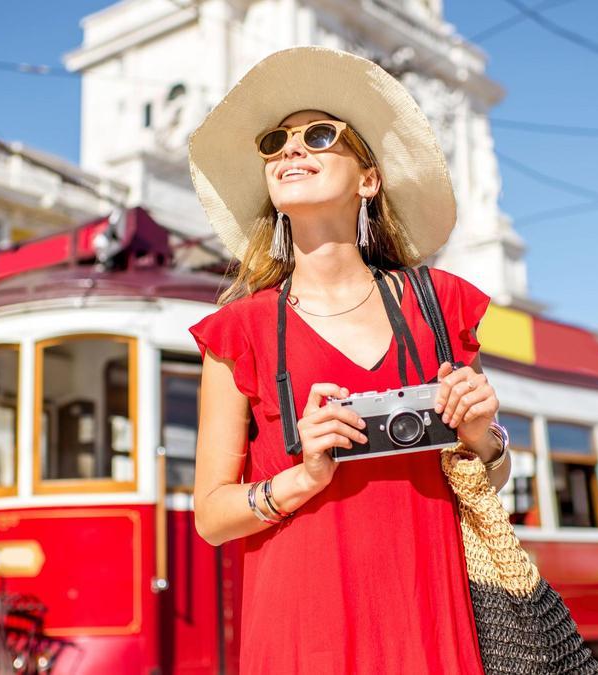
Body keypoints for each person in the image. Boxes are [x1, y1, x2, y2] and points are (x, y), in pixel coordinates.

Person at [187, 46, 511, 674]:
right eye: (275, 142)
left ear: (369, 179)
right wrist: (301, 478)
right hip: (301, 634)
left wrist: (484, 437)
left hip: (429, 620)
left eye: (317, 135)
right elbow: (211, 517)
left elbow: (487, 476)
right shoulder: (239, 330)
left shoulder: (441, 305)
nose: (289, 150)